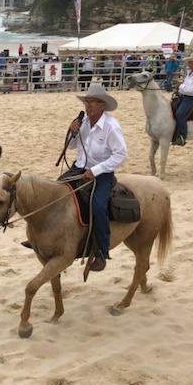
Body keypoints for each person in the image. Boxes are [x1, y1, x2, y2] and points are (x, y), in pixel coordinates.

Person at [64, 84, 128, 272]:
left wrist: (97, 170)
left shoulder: (111, 127)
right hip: (79, 168)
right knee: (54, 193)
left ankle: (101, 252)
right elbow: (72, 147)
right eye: (87, 102)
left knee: (98, 207)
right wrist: (72, 132)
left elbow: (121, 155)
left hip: (102, 174)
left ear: (102, 105)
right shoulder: (83, 122)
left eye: (92, 102)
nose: (88, 106)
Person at [172, 54, 193, 146]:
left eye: (190, 61)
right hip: (183, 96)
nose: (188, 63)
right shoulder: (190, 72)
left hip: (190, 99)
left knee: (180, 113)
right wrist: (179, 90)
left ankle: (183, 136)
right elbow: (187, 86)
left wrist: (181, 85)